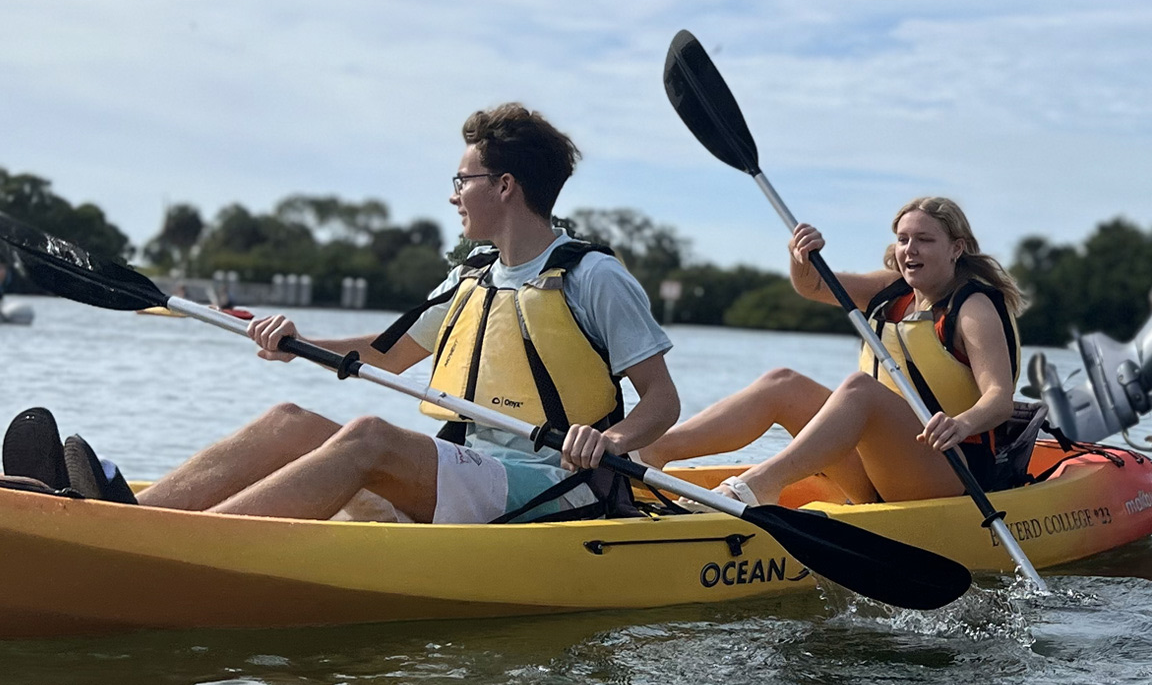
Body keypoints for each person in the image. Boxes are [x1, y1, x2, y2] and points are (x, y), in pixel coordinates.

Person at [5, 104, 680, 522]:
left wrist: (611, 442)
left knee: (367, 437)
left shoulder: (594, 278)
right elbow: (385, 354)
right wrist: (297, 339)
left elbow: (660, 400)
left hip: (554, 487)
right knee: (289, 421)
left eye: (462, 181)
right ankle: (129, 519)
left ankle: (171, 546)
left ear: (504, 187)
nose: (453, 196)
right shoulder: (472, 279)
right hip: (476, 468)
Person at [639, 197, 1024, 507]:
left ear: (956, 248)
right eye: (903, 239)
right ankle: (648, 455)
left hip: (951, 474)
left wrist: (962, 423)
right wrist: (800, 255)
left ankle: (756, 488)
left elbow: (999, 399)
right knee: (782, 383)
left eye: (924, 239)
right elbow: (812, 286)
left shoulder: (973, 307)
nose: (910, 249)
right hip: (879, 471)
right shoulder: (889, 290)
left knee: (860, 390)